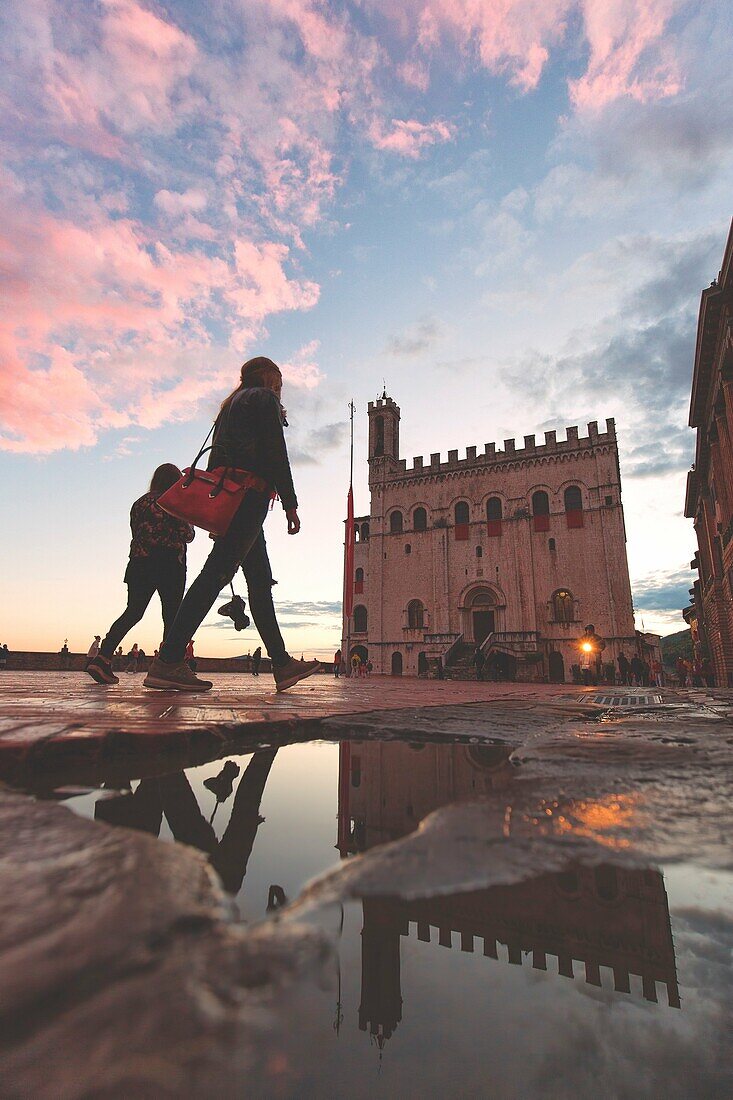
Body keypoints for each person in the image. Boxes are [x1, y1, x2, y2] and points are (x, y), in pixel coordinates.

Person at [144, 358, 319, 694]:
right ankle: (167, 661)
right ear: (270, 377)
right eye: (279, 381)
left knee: (259, 582)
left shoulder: (230, 406)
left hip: (232, 495)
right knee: (216, 574)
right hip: (250, 495)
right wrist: (290, 502)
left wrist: (216, 508)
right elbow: (274, 452)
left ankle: (281, 664)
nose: (280, 388)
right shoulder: (263, 399)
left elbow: (216, 463)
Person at [86, 465, 195, 685]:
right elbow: (188, 534)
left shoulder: (140, 503)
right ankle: (168, 665)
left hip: (139, 563)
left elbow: (137, 531)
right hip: (169, 564)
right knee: (172, 617)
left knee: (133, 612)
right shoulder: (174, 501)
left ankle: (103, 657)